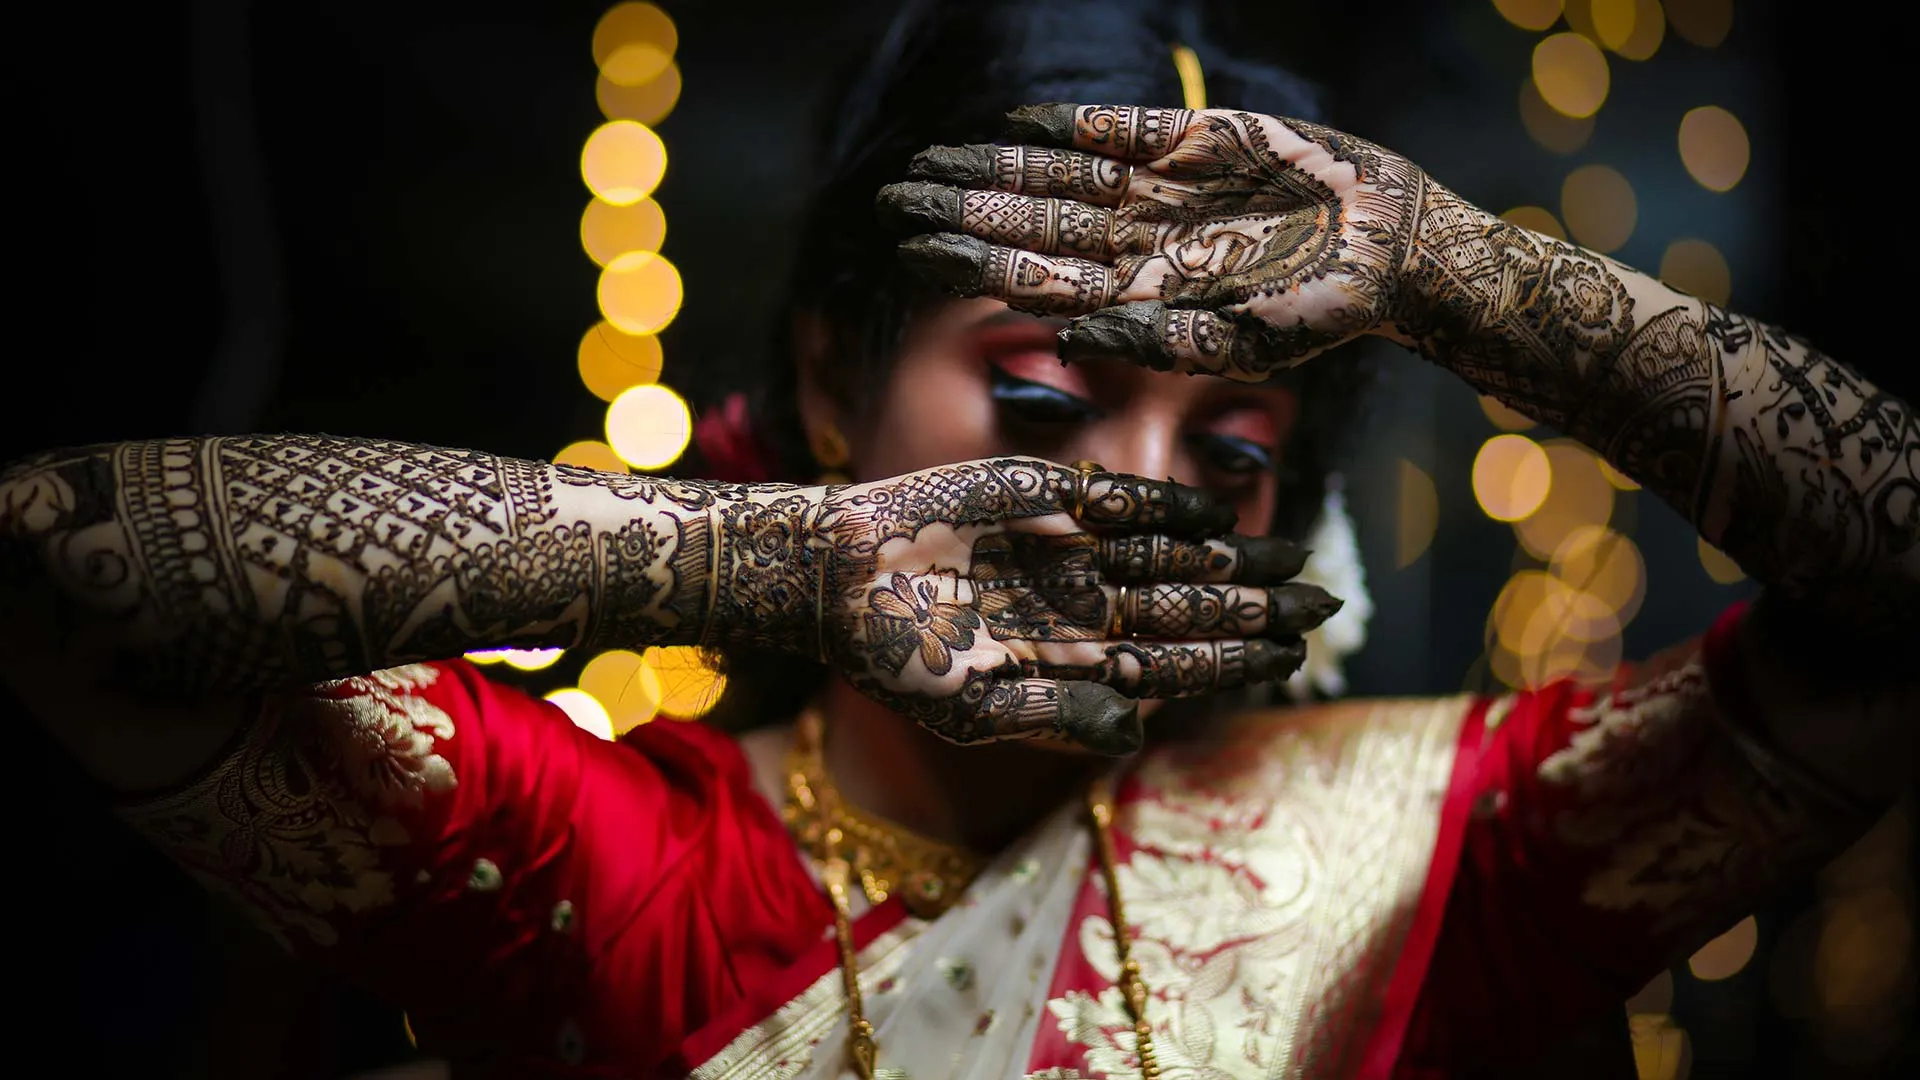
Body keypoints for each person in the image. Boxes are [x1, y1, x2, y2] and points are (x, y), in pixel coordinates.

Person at [2, 2, 1913, 1077]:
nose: (1144, 487)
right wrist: (779, 561)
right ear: (836, 373)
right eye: (1038, 398)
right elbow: (59, 568)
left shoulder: (1427, 852)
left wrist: (1461, 272)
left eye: (1234, 439)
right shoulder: (623, 867)